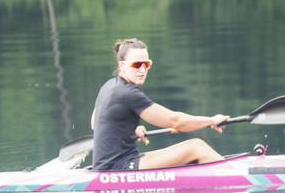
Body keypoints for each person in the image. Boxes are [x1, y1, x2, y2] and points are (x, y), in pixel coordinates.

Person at [91, 38, 228, 171]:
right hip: (118, 168)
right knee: (196, 147)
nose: (143, 70)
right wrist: (211, 120)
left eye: (146, 64)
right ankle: (237, 175)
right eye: (137, 65)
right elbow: (176, 122)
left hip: (113, 164)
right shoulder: (129, 93)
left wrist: (129, 130)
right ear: (122, 65)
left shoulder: (108, 86)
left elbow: (94, 122)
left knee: (194, 148)